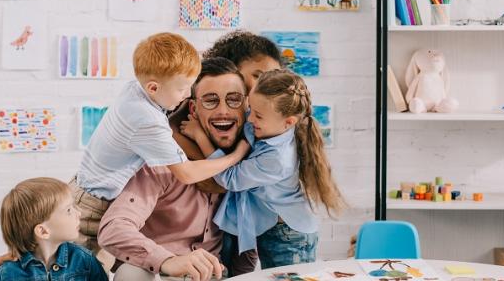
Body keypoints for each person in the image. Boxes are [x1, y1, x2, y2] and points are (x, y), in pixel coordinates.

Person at [72, 33, 248, 265]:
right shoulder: (147, 120)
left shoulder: (137, 89)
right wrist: (235, 157)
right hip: (93, 206)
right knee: (83, 270)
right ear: (153, 87)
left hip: (84, 188)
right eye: (183, 89)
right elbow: (186, 173)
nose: (186, 96)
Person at [181, 69, 345, 268]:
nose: (250, 119)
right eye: (250, 108)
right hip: (272, 224)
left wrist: (199, 135)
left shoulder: (277, 159)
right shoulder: (271, 125)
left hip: (289, 235)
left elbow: (229, 179)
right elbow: (248, 129)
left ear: (288, 122)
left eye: (257, 116)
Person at [170, 30, 285, 274]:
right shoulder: (182, 113)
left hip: (245, 220)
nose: (267, 84)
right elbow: (208, 180)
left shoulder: (260, 118)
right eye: (258, 76)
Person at [0, 177, 107, 281]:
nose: (79, 213)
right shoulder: (4, 275)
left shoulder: (85, 260)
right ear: (43, 231)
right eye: (68, 210)